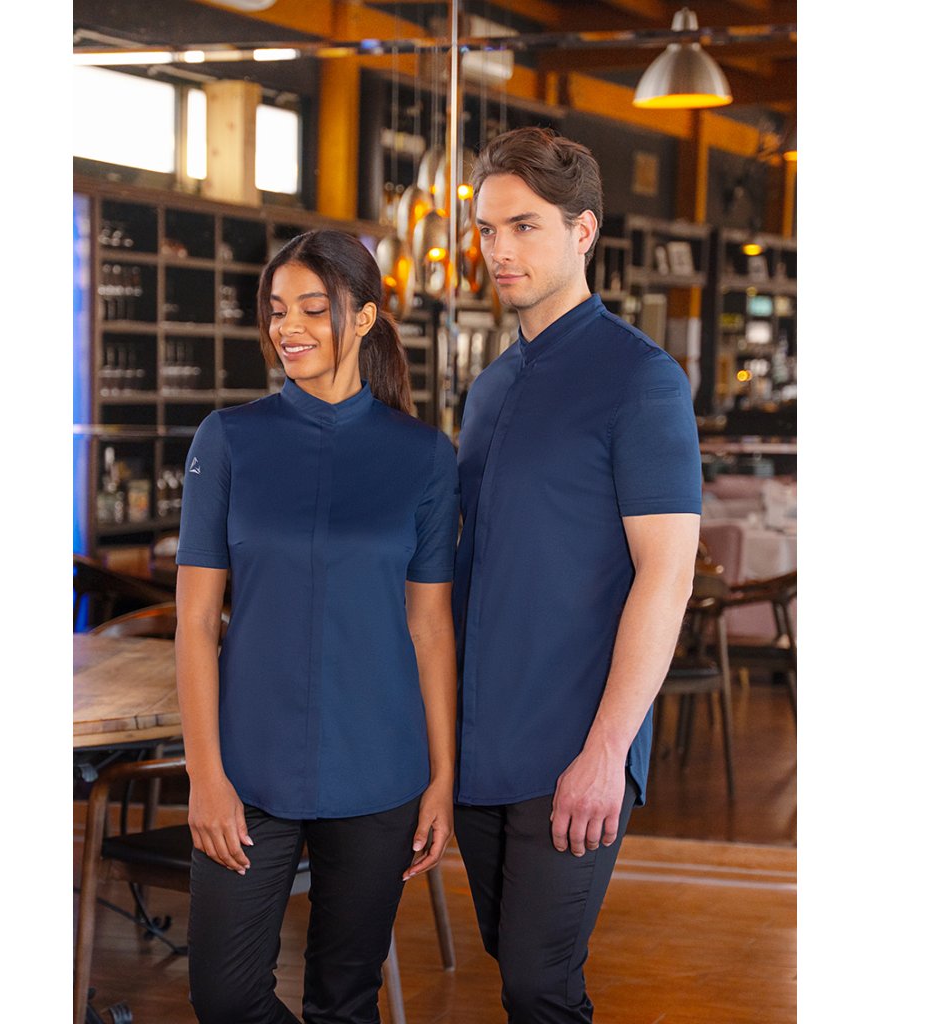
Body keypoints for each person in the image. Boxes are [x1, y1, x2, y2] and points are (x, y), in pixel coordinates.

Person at [174, 229, 459, 1024]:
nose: (287, 328)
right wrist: (205, 775)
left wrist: (442, 776)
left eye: (310, 308)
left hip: (381, 767)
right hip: (247, 764)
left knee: (346, 1000)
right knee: (224, 995)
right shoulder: (227, 440)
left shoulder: (425, 456)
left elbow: (430, 628)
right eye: (277, 310)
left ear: (364, 318)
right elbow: (194, 622)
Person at [452, 126, 702, 1023]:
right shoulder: (489, 387)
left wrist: (606, 754)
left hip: (574, 740)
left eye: (525, 226)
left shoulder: (643, 381)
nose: (500, 250)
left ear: (583, 230)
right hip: (478, 740)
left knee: (539, 982)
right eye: (488, 230)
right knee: (510, 959)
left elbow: (666, 577)